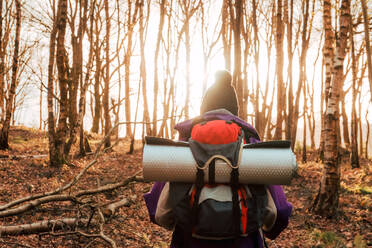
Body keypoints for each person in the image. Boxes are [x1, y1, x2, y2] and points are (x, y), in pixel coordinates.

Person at [144, 70, 292, 248]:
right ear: (235, 112)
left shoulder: (186, 142)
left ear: (204, 108)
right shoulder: (249, 143)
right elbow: (280, 212)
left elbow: (157, 210)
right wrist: (268, 230)